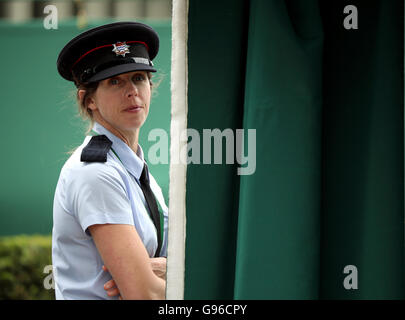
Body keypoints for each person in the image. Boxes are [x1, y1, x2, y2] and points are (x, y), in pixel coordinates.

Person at [52, 21, 168, 300]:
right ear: (88, 99)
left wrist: (169, 269)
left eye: (139, 77)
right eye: (115, 81)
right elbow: (144, 294)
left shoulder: (133, 168)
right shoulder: (96, 172)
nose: (132, 91)